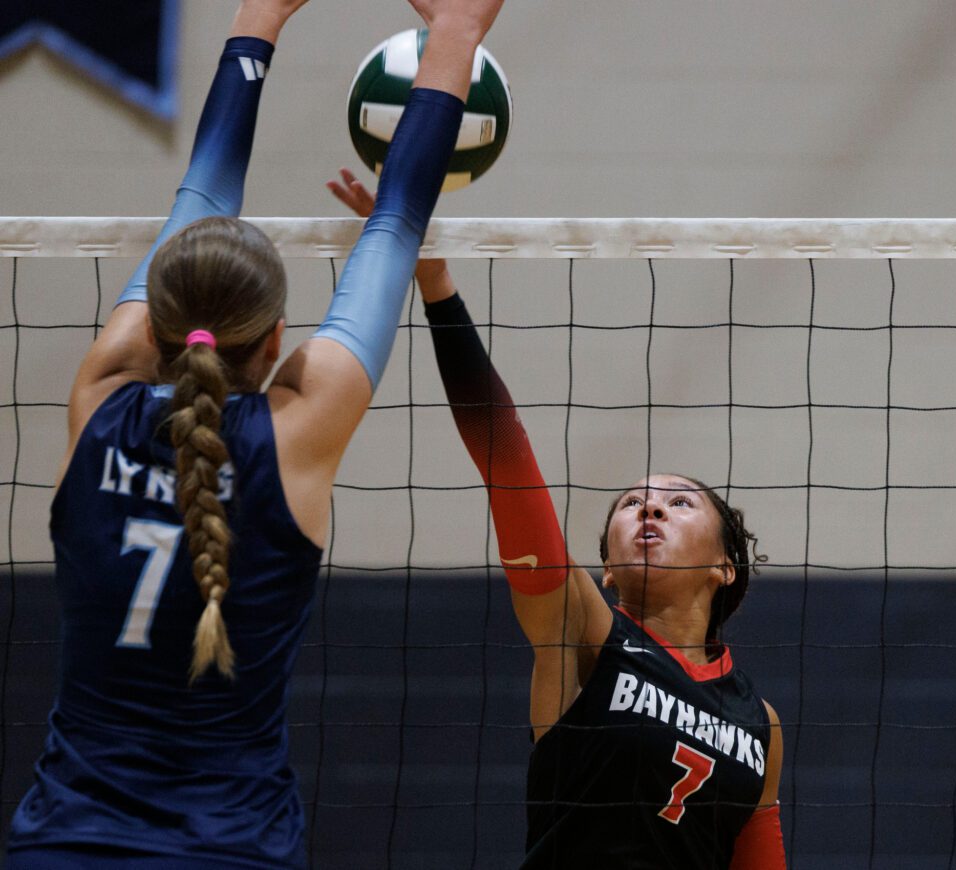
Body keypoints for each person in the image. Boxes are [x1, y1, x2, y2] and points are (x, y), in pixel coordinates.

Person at [5, 0, 504, 866]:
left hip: (65, 843)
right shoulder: (295, 435)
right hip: (232, 849)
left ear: (152, 327)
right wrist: (457, 33)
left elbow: (203, 195)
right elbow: (395, 228)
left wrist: (256, 18)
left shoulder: (99, 400)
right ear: (278, 343)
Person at [329, 170, 788, 869]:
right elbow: (505, 458)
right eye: (631, 502)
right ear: (603, 565)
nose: (650, 507)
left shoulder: (760, 723)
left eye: (679, 501)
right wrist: (436, 288)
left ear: (726, 566)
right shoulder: (581, 630)